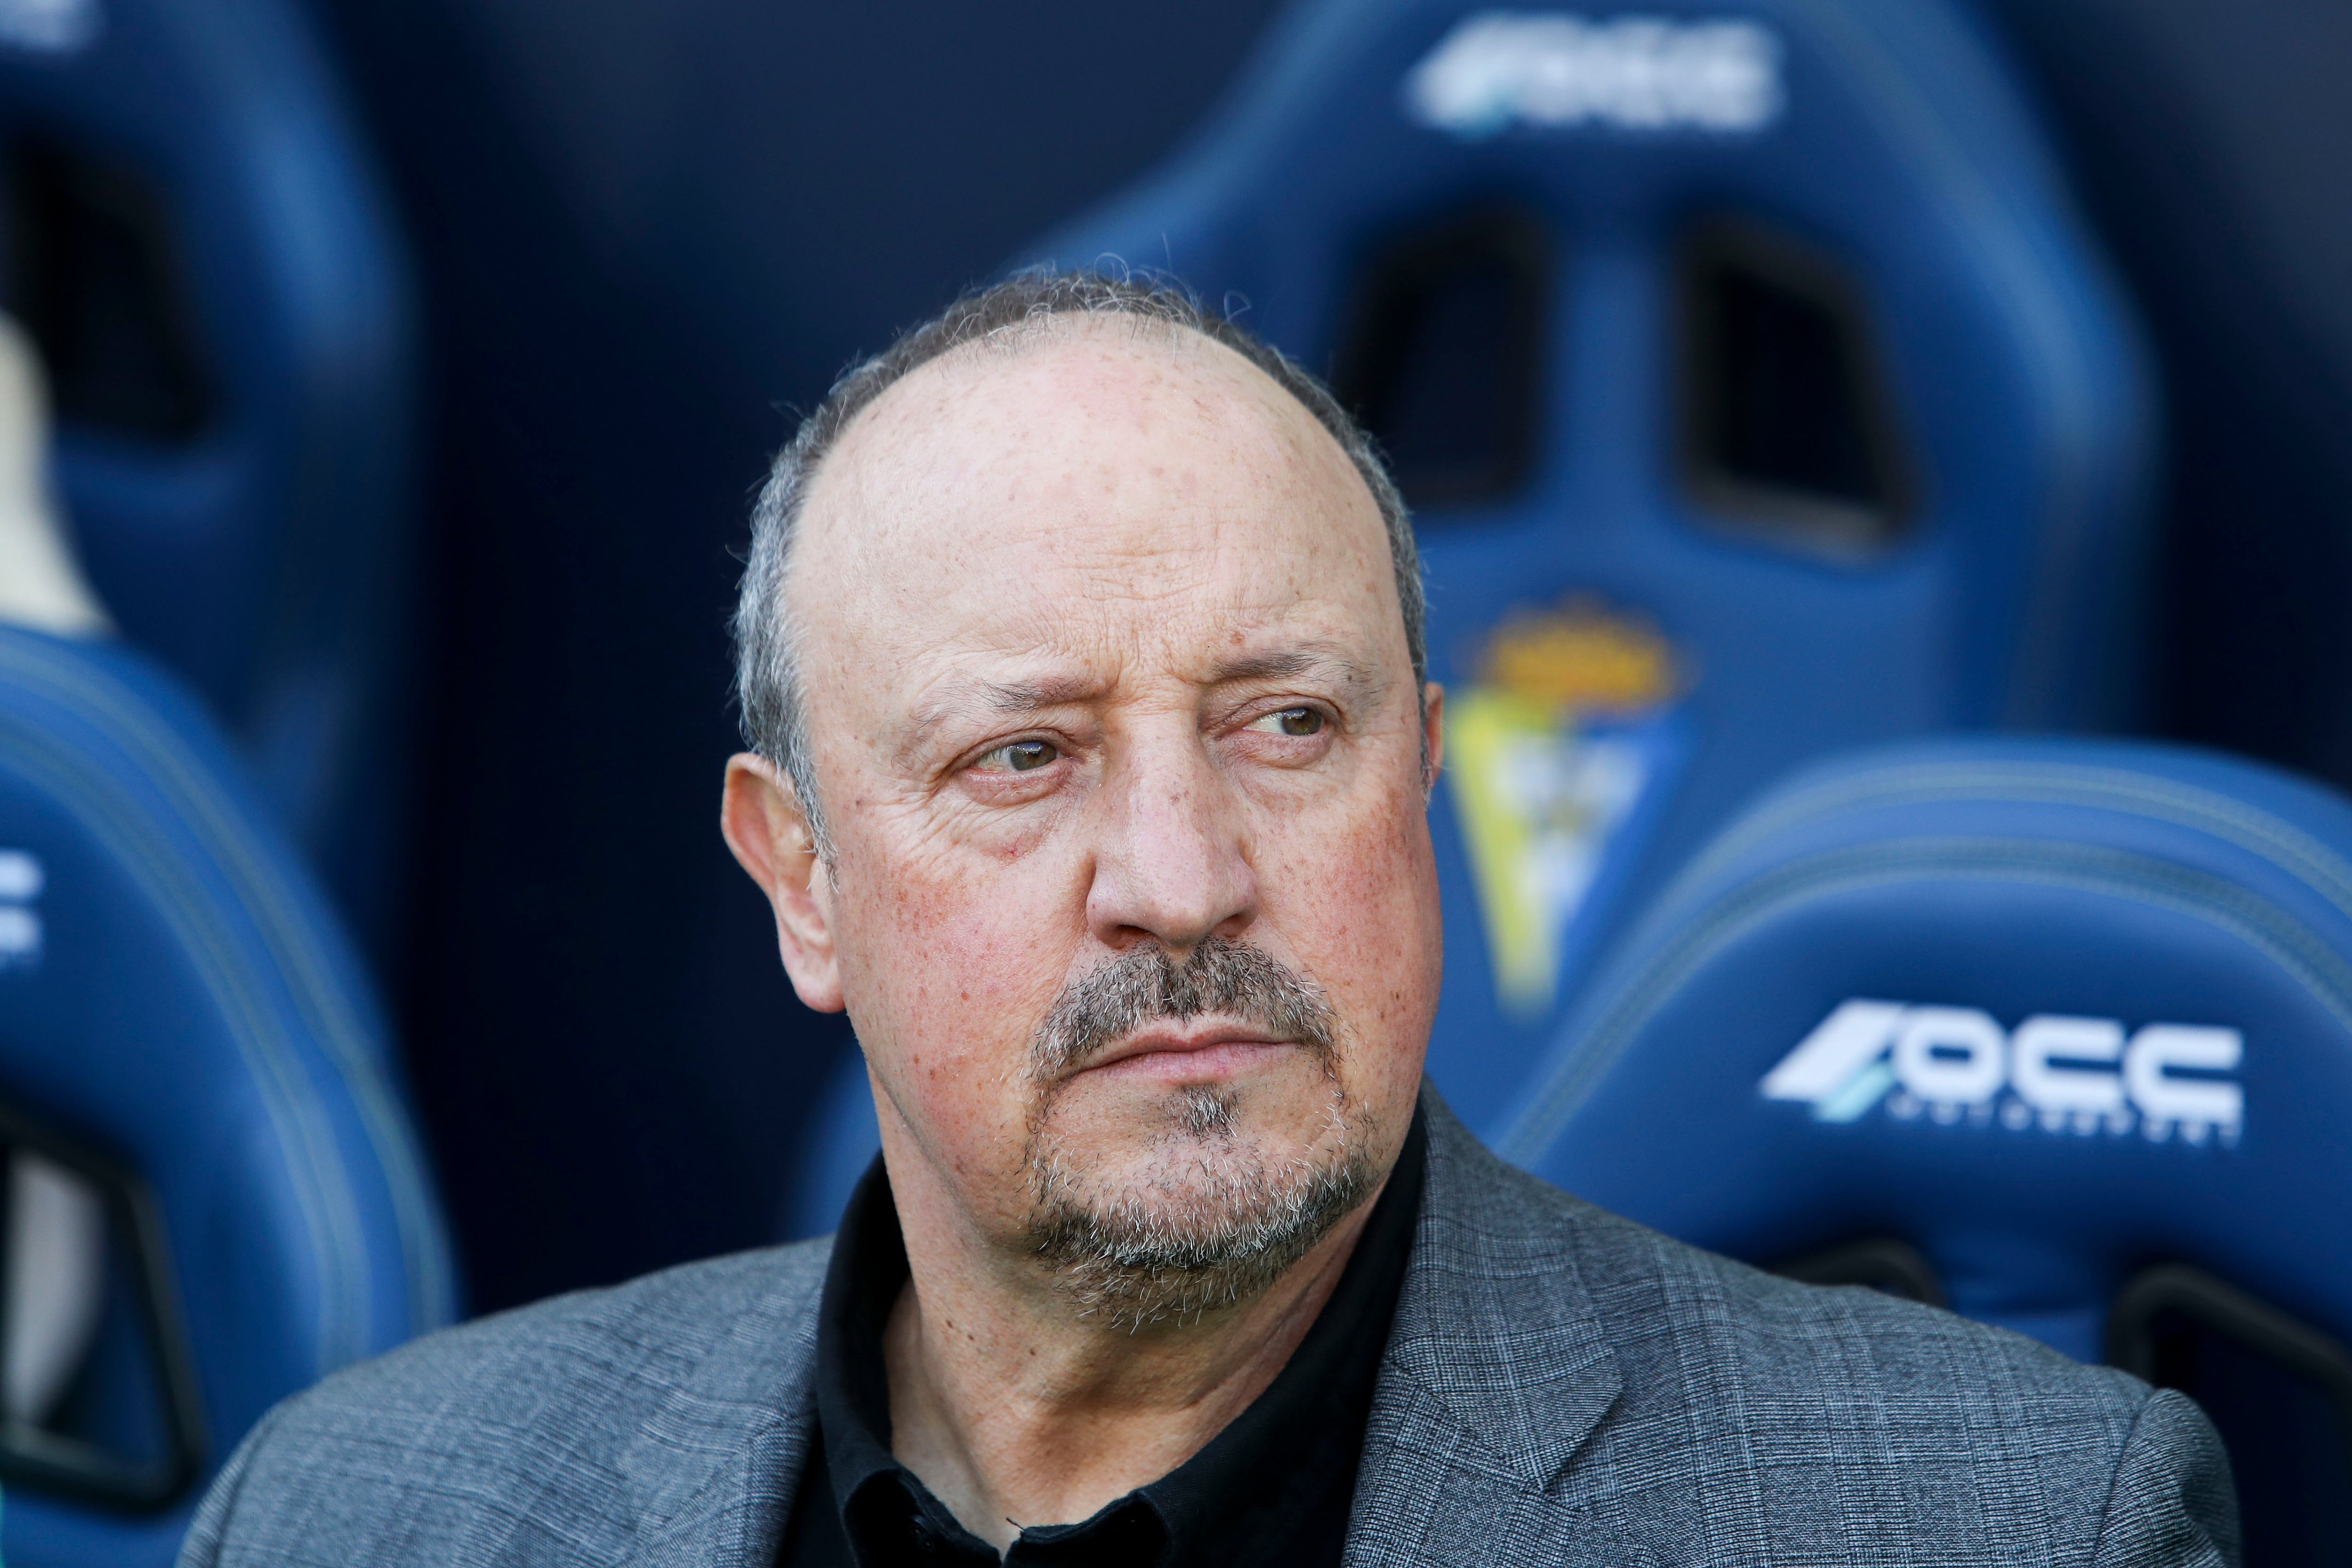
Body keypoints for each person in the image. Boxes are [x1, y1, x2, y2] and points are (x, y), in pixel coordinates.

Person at [179, 273, 2236, 1567]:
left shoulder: (2008, 1529)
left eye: (1280, 724)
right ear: (799, 877)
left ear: (1417, 777)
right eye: (1023, 759)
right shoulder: (359, 1515)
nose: (1178, 876)